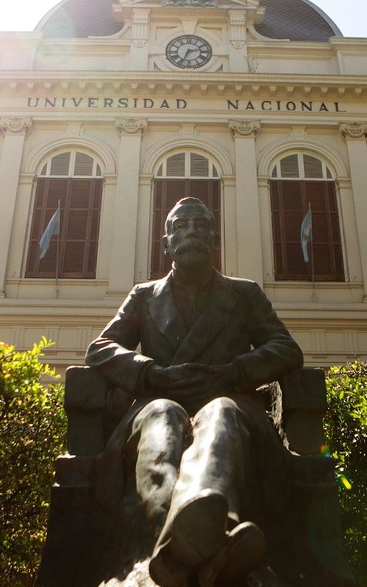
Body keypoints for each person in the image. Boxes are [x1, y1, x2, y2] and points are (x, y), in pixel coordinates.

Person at [86, 197, 303, 586]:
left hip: (229, 401)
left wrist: (232, 372)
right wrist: (151, 374)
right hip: (158, 399)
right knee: (162, 415)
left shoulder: (243, 294)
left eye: (200, 225)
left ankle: (184, 544)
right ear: (166, 243)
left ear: (214, 239)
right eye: (180, 226)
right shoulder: (144, 295)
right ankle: (212, 542)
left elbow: (286, 348)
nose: (190, 232)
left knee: (221, 413)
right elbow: (100, 349)